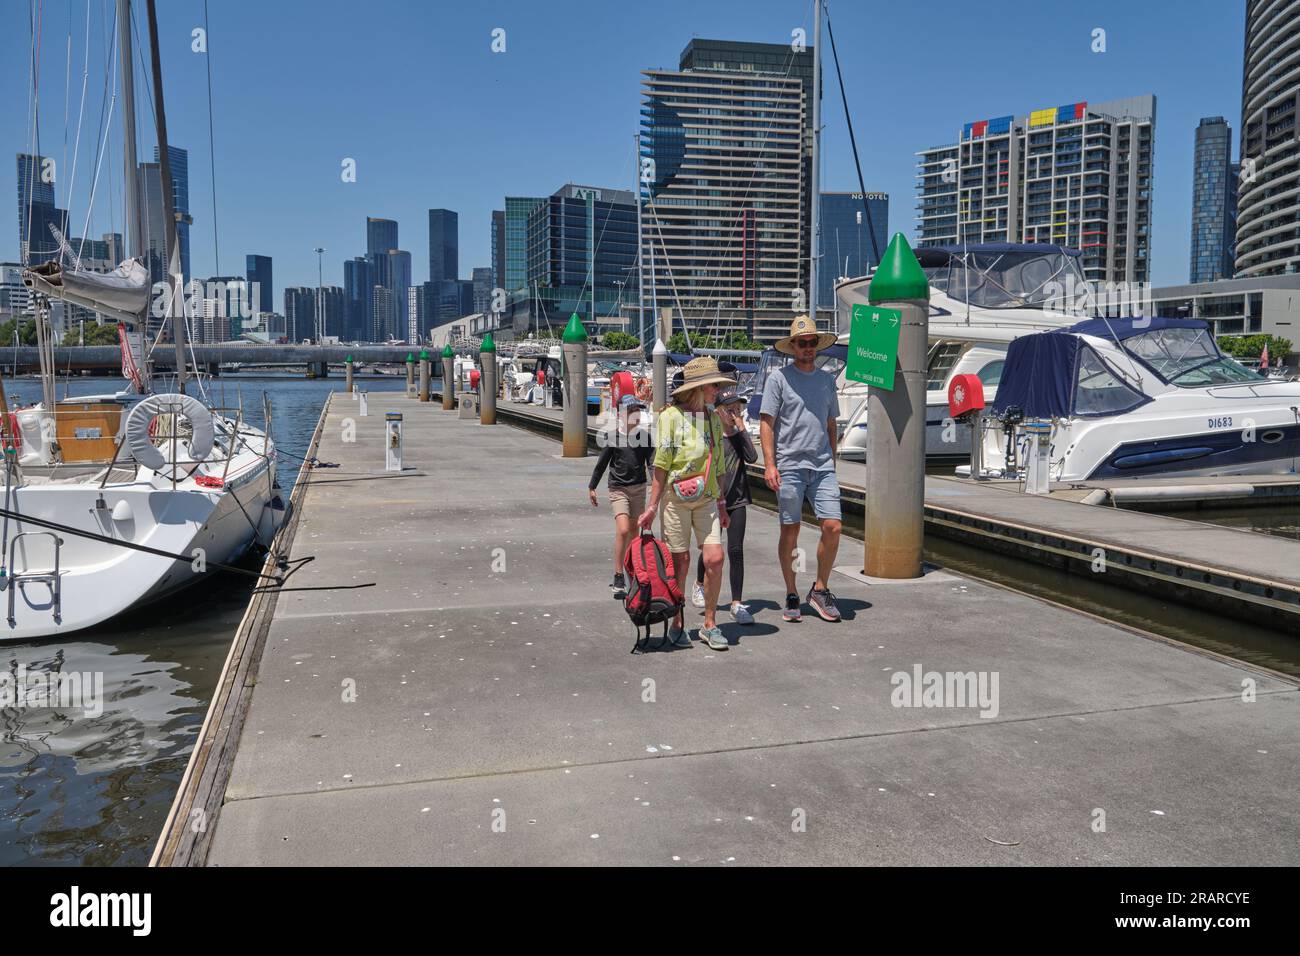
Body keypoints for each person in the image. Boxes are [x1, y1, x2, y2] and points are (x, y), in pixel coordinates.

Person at [638, 356, 735, 651]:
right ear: (698, 387)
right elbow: (661, 466)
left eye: (717, 384)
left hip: (707, 499)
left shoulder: (713, 419)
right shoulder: (670, 417)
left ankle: (709, 623)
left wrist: (721, 504)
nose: (717, 389)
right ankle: (678, 621)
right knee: (680, 561)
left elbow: (717, 466)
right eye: (713, 385)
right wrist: (652, 506)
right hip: (674, 500)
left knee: (715, 558)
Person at [759, 314, 843, 623]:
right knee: (790, 531)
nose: (807, 348)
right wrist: (770, 465)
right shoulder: (779, 379)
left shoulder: (826, 380)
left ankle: (820, 588)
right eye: (802, 343)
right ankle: (792, 592)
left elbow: (831, 422)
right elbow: (766, 423)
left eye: (811, 343)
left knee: (833, 526)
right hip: (790, 465)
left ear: (817, 346)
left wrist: (832, 459)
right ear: (793, 346)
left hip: (822, 467)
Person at [693, 386, 757, 623]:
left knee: (736, 550)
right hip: (712, 499)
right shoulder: (711, 435)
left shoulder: (739, 437)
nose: (734, 413)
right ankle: (700, 583)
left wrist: (741, 427)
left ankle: (737, 603)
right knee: (711, 550)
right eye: (729, 409)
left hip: (737, 498)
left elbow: (752, 457)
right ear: (718, 411)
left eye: (737, 409)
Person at [588, 395, 653, 598]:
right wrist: (592, 486)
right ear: (621, 415)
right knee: (623, 530)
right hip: (618, 488)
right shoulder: (613, 437)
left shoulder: (645, 437)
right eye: (632, 411)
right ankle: (618, 574)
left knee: (635, 534)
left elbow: (651, 463)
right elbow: (602, 463)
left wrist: (656, 484)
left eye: (638, 411)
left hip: (638, 488)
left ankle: (632, 572)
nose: (636, 415)